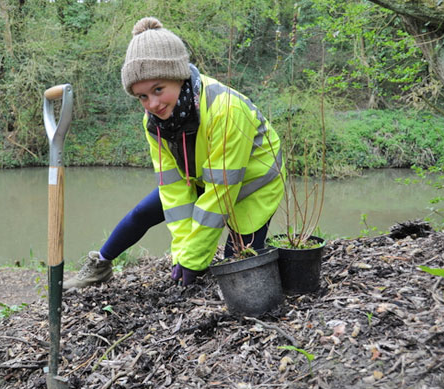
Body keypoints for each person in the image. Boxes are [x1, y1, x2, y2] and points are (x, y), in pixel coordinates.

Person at [64, 17, 284, 289]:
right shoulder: (154, 123)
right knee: (143, 212)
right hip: (204, 177)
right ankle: (99, 266)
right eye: (142, 97)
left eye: (158, 89)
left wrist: (193, 259)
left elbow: (220, 194)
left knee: (237, 268)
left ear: (179, 77)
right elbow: (174, 192)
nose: (153, 104)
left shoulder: (226, 109)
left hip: (254, 183)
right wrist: (182, 253)